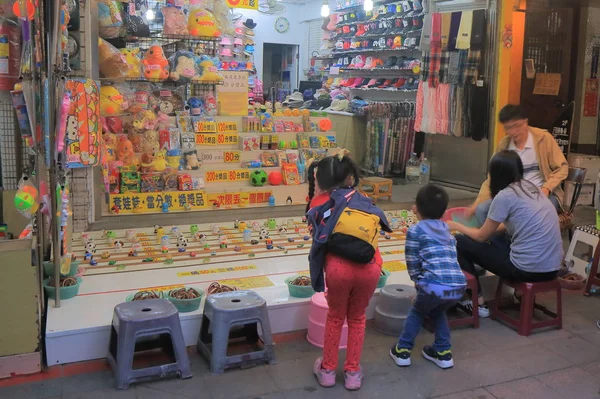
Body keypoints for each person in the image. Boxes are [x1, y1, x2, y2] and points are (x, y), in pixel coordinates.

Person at [306, 151, 390, 391]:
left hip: (338, 269)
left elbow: (318, 239)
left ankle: (328, 371)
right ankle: (352, 373)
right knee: (357, 318)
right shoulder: (363, 198)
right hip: (370, 267)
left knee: (335, 317)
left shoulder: (318, 204)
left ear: (319, 181)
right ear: (351, 178)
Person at [448, 150, 563, 317]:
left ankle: (477, 302)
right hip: (553, 268)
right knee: (487, 239)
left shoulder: (505, 195)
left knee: (458, 241)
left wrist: (455, 225)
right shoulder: (531, 187)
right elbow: (504, 228)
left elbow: (481, 236)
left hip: (525, 270)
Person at [389, 185, 466, 370]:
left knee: (417, 312)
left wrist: (419, 284)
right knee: (439, 311)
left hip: (433, 285)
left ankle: (402, 350)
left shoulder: (415, 231)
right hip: (459, 286)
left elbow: (413, 262)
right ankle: (443, 352)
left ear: (416, 208)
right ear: (445, 212)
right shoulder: (447, 230)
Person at [466, 104, 568, 223]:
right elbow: (492, 178)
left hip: (542, 194)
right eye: (508, 128)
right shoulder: (504, 145)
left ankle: (519, 240)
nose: (513, 132)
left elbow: (562, 168)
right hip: (513, 195)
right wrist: (477, 203)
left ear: (525, 122)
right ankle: (500, 241)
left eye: (516, 126)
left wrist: (547, 187)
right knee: (482, 210)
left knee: (534, 213)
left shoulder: (543, 139)